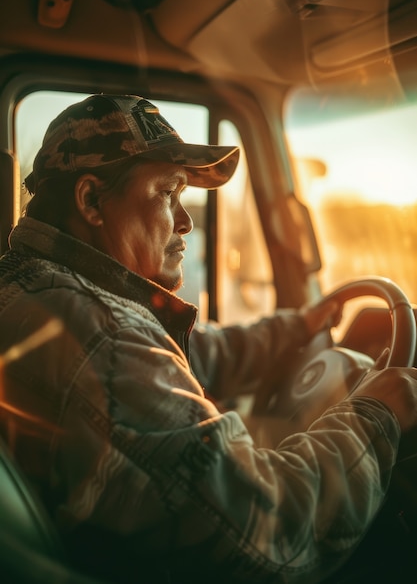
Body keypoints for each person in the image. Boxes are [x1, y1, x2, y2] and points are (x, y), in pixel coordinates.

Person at [0, 94, 416, 584]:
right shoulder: (106, 339)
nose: (186, 221)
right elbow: (265, 534)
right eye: (167, 193)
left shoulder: (39, 288)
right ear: (91, 200)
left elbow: (198, 353)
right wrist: (376, 414)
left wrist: (298, 327)